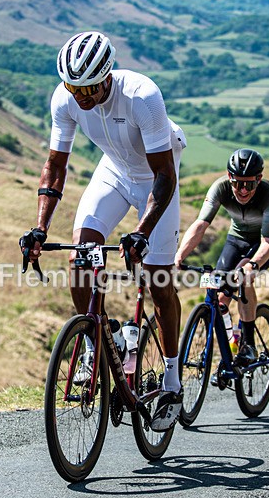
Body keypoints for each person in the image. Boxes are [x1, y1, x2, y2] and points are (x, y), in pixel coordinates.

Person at [21, 30, 187, 431]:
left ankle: (172, 377)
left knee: (157, 279)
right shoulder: (65, 98)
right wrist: (40, 227)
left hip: (156, 177)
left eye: (87, 87)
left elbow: (163, 175)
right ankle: (94, 343)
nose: (78, 95)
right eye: (71, 86)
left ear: (107, 76)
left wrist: (142, 230)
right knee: (83, 253)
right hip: (113, 171)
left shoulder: (142, 96)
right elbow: (56, 166)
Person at [175, 148, 269, 362]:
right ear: (229, 177)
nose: (243, 191)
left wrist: (252, 265)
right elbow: (201, 224)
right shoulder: (220, 188)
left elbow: (268, 242)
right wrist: (181, 254)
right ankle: (228, 343)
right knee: (219, 293)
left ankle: (249, 346)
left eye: (250, 184)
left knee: (242, 276)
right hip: (236, 238)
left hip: (266, 241)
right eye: (237, 183)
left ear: (259, 179)